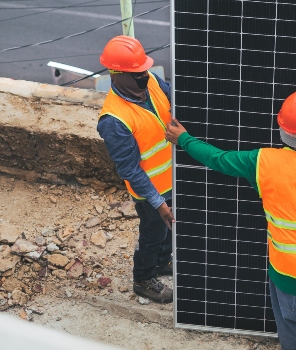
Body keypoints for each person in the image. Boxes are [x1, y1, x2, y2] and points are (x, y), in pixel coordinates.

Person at [165, 88, 296, 349]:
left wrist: (184, 139)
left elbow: (218, 159)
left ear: (283, 131)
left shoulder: (262, 162)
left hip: (287, 280)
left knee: (291, 339)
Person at [96, 36, 175, 303]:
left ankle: (163, 262)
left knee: (166, 231)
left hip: (171, 178)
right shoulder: (114, 120)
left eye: (144, 69)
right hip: (149, 191)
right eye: (137, 73)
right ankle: (143, 279)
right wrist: (157, 202)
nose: (144, 75)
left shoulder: (150, 80)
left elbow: (169, 95)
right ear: (116, 75)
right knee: (153, 233)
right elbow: (129, 169)